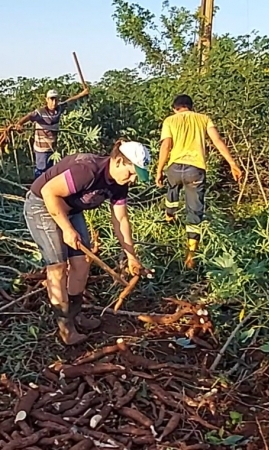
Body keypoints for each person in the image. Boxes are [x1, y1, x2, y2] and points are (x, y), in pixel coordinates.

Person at [24, 140, 151, 345]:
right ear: (118, 161)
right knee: (58, 267)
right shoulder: (87, 170)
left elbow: (120, 220)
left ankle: (75, 314)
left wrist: (131, 257)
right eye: (131, 173)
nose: (132, 179)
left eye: (136, 175)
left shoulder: (119, 185)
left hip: (71, 210)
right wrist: (66, 229)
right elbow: (49, 192)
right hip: (42, 206)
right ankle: (66, 328)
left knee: (81, 263)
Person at [155, 94, 242, 268]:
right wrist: (232, 163)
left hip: (174, 167)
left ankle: (169, 216)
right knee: (194, 212)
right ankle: (190, 256)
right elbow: (217, 140)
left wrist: (159, 171)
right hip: (195, 169)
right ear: (191, 107)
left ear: (175, 108)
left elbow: (166, 146)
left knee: (172, 191)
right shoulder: (204, 119)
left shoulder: (170, 121)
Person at [13, 87, 90, 179]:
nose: (54, 102)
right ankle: (37, 190)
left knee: (50, 172)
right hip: (42, 149)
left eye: (56, 99)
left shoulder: (59, 109)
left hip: (53, 149)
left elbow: (70, 101)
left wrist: (82, 94)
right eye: (51, 99)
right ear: (47, 100)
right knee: (41, 171)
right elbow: (29, 116)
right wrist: (19, 124)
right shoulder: (40, 112)